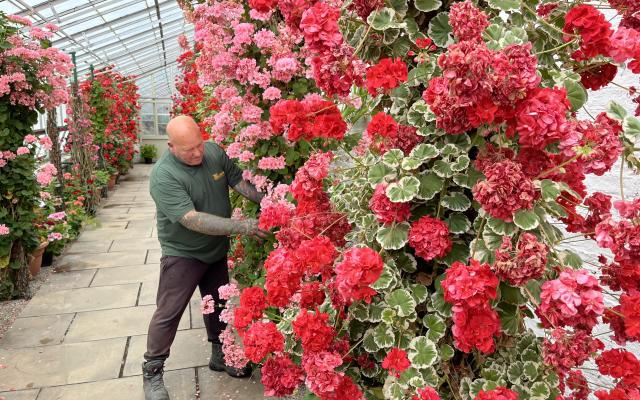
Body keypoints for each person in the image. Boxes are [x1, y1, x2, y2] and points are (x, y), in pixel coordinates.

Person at [142, 115, 268, 400]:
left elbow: (238, 181)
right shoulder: (164, 176)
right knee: (169, 312)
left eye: (199, 144)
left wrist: (269, 202)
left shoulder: (212, 152)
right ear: (171, 146)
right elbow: (191, 220)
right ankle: (152, 371)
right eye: (189, 150)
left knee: (217, 303)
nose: (198, 153)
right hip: (183, 253)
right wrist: (244, 226)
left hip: (215, 250)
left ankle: (220, 354)